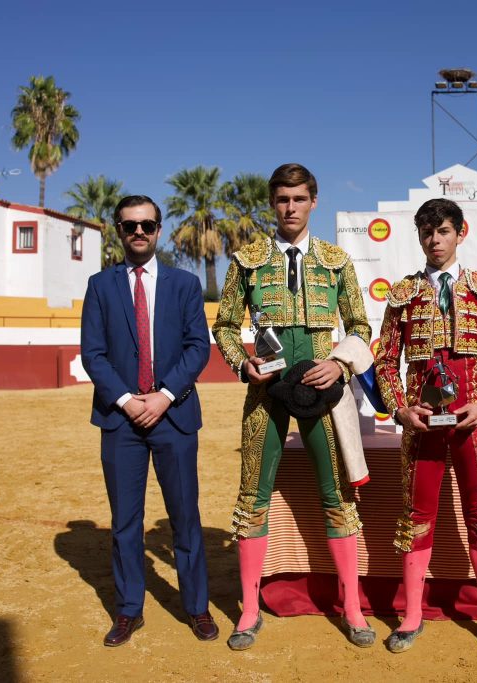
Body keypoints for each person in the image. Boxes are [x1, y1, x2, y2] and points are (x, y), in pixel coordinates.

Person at [213, 163, 374, 650]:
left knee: (338, 497)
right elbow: (223, 325)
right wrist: (244, 364)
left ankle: (351, 607)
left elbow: (361, 327)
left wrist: (342, 366)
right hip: (266, 391)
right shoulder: (246, 260)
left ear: (313, 202)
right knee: (252, 497)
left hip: (324, 393)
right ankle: (248, 609)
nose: (290, 208)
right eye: (282, 199)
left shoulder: (336, 260)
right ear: (272, 203)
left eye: (299, 199)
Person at [373, 198, 477, 653]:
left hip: (472, 425)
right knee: (417, 517)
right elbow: (384, 362)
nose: (434, 240)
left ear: (461, 232)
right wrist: (400, 410)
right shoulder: (404, 293)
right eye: (426, 232)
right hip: (421, 426)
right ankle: (413, 613)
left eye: (442, 231)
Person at [80, 195, 217, 646]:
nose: (138, 233)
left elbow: (199, 346)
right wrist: (125, 399)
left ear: (158, 230)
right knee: (124, 522)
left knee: (185, 518)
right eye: (129, 226)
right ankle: (128, 609)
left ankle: (196, 607)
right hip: (121, 422)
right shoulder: (100, 286)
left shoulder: (184, 284)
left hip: (173, 416)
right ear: (118, 231)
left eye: (147, 225)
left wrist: (161, 395)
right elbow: (93, 355)